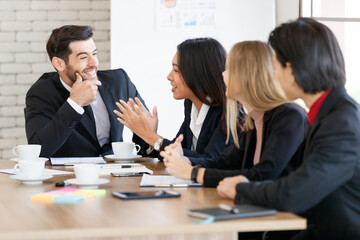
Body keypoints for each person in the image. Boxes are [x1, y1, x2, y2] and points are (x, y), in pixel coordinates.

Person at [217, 18, 360, 239]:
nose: (271, 75)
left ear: (291, 71)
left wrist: (241, 189)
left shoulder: (341, 123)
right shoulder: (329, 113)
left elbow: (296, 191)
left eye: (274, 66)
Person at [160, 41, 307, 188]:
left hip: (285, 211)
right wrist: (186, 161)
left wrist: (192, 173)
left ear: (247, 75)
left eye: (230, 69)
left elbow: (262, 175)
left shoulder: (290, 117)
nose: (223, 74)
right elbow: (225, 163)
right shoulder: (254, 120)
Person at [25, 25, 147, 157]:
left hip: (115, 172)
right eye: (83, 57)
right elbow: (39, 151)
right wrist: (74, 104)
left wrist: (152, 143)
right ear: (59, 63)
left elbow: (145, 136)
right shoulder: (42, 92)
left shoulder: (119, 81)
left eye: (94, 54)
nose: (94, 63)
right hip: (70, 174)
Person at [114, 38, 239, 160]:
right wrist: (151, 137)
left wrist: (150, 136)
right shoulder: (191, 104)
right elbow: (178, 150)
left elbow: (209, 161)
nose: (169, 76)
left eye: (176, 70)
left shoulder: (229, 112)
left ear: (197, 74)